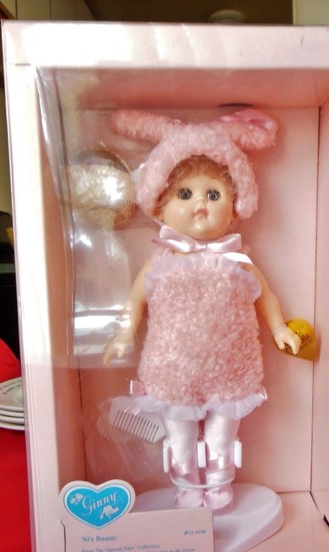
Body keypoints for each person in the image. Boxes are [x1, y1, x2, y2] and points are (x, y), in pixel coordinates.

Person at [104, 110, 300, 513]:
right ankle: (185, 485)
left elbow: (265, 295)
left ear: (236, 206)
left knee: (223, 431)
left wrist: (280, 327)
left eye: (213, 195)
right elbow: (135, 300)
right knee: (178, 431)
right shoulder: (159, 265)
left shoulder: (238, 262)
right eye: (184, 194)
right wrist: (123, 333)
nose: (199, 205)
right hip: (173, 369)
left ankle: (219, 478)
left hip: (231, 368)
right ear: (159, 207)